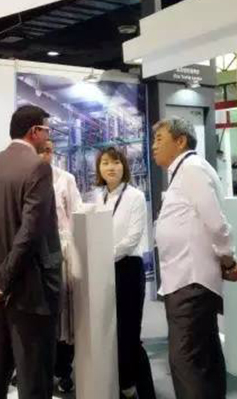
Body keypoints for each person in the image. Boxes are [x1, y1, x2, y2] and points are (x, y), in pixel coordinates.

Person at [0, 104, 61, 399]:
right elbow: (30, 234)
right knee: (34, 380)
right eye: (47, 130)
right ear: (34, 131)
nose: (49, 136)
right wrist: (0, 283)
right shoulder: (38, 167)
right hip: (32, 292)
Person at [152, 117, 237, 399]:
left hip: (190, 282)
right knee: (202, 358)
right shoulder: (185, 171)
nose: (153, 146)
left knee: (188, 362)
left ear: (180, 141)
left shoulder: (192, 169)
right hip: (185, 281)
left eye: (159, 139)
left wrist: (228, 260)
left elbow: (216, 223)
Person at [94, 146, 155, 399]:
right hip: (103, 272)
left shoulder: (135, 196)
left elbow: (132, 238)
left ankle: (143, 391)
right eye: (106, 163)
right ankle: (124, 386)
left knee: (130, 334)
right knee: (111, 334)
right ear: (99, 168)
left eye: (116, 162)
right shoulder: (98, 198)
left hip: (128, 269)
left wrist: (104, 257)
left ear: (124, 166)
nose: (111, 167)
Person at [39, 139, 83, 394]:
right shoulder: (25, 180)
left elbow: (77, 215)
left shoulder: (65, 179)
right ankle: (41, 369)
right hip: (35, 254)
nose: (44, 155)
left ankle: (64, 369)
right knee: (41, 314)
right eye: (40, 151)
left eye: (48, 150)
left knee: (64, 312)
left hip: (63, 252)